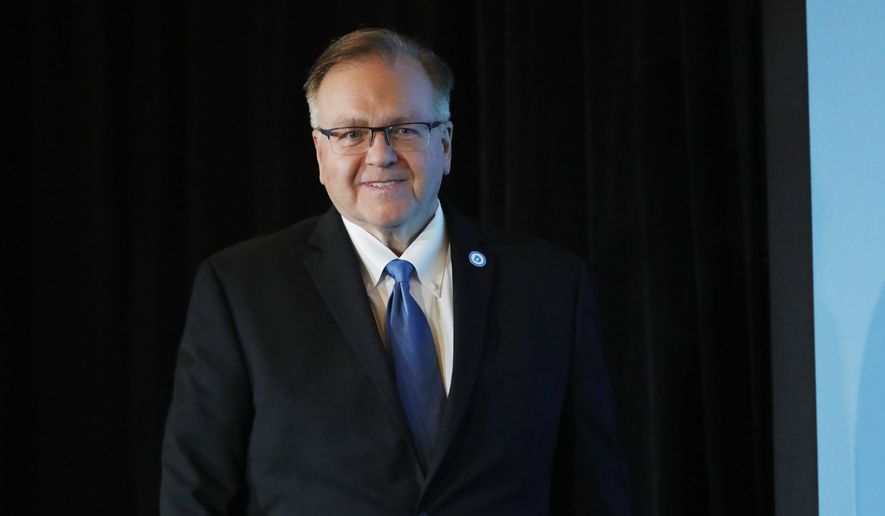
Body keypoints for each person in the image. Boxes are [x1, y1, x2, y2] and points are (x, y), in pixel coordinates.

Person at [160, 27, 630, 515]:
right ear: (320, 153)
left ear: (445, 144)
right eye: (350, 134)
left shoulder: (549, 285)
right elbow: (196, 491)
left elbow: (594, 486)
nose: (380, 155)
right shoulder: (240, 289)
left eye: (405, 128)